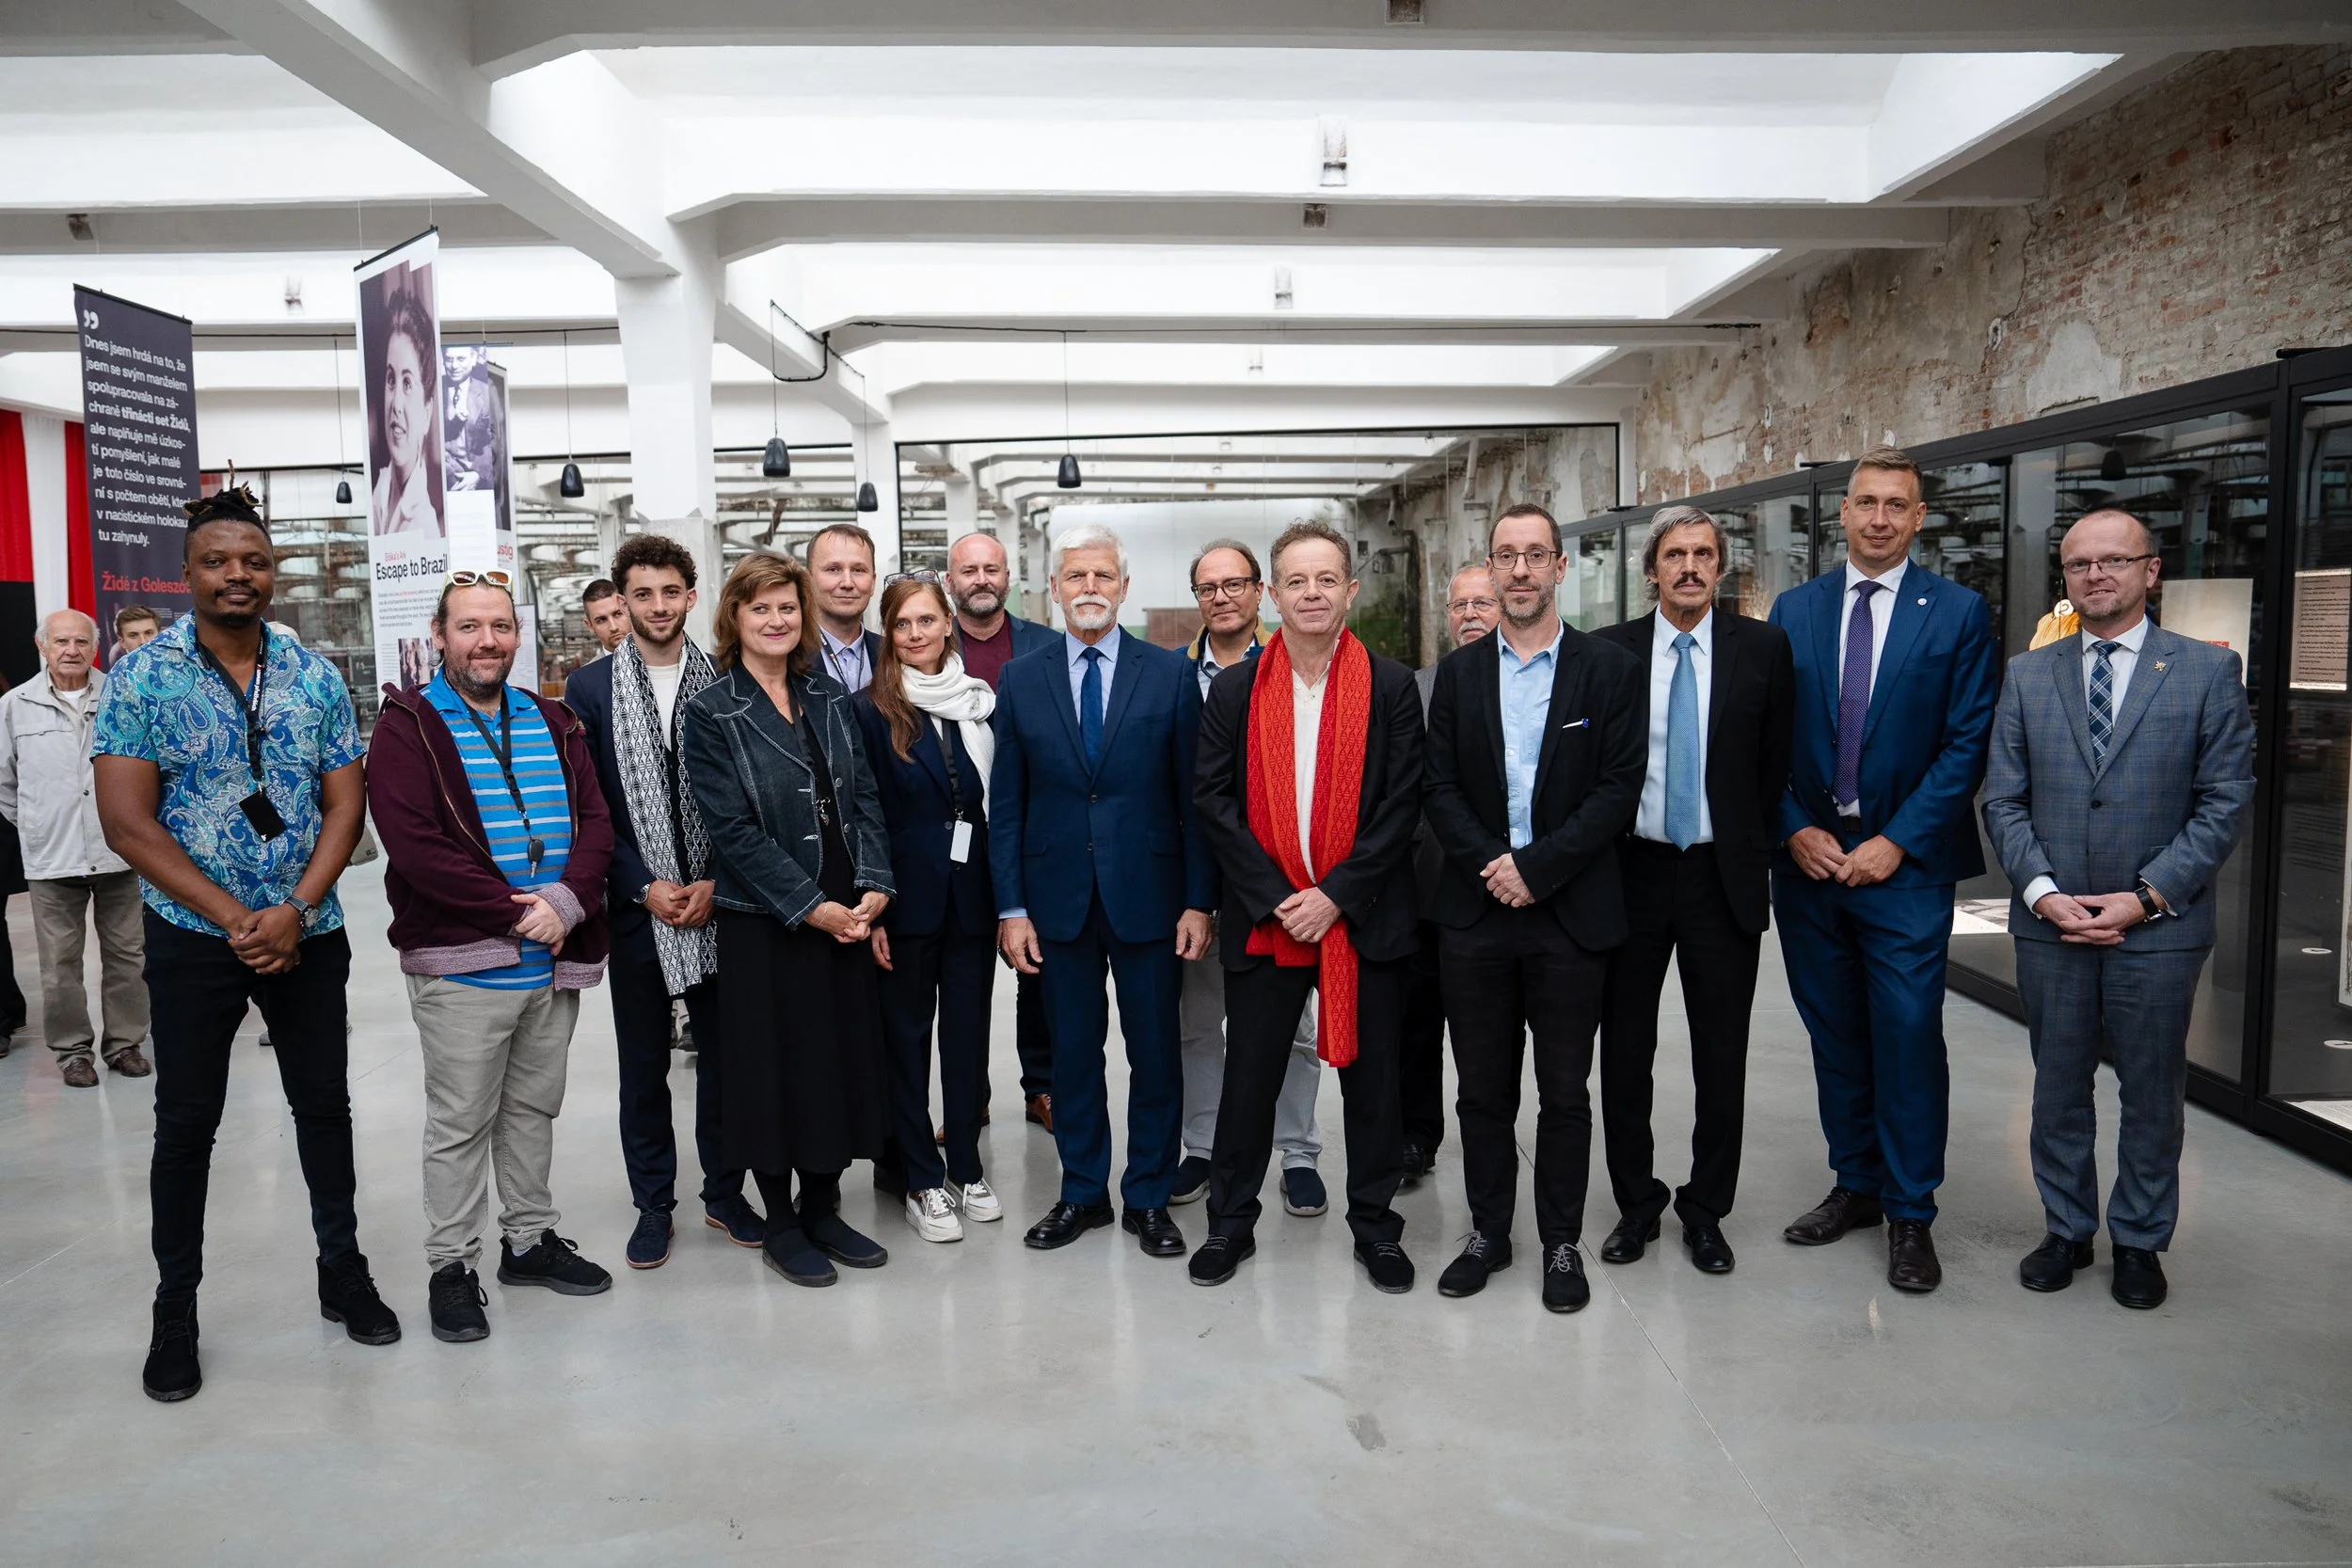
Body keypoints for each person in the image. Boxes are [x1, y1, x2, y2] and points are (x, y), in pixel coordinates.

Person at [93, 484, 396, 1402]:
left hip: (311, 930)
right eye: (218, 561)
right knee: (186, 1123)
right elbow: (127, 823)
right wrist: (236, 916)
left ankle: (342, 1268)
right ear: (186, 572)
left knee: (324, 1106)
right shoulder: (142, 678)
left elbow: (347, 803)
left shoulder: (312, 673)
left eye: (254, 561)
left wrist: (296, 907)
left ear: (274, 574)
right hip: (193, 935)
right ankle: (175, 1307)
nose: (238, 574)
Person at [1981, 508, 2254, 1309]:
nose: (2096, 574)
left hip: (2160, 927)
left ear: (2151, 571)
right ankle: (2067, 1228)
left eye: (2115, 560)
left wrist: (2144, 897)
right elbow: (2003, 798)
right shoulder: (2028, 674)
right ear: (2065, 577)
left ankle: (2138, 1238)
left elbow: (2225, 800)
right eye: (2080, 564)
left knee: (2152, 1090)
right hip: (2051, 923)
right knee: (2058, 1084)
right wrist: (2042, 893)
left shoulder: (2207, 670)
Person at [1768, 445, 1999, 1294]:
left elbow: (1966, 742)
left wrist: (1896, 841)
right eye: (1865, 502)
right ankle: (1856, 1183)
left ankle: (1911, 1210)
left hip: (1903, 868)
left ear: (1919, 517)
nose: (1878, 518)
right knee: (1833, 1031)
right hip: (1810, 866)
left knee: (1906, 1031)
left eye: (1896, 504)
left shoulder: (1958, 612)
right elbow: (1759, 736)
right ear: (1843, 512)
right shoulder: (1794, 609)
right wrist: (1792, 827)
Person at [370, 573, 617, 1342]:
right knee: (460, 1121)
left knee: (532, 1109)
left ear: (518, 634)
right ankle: (451, 1266)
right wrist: (522, 914)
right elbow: (416, 847)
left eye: (501, 627)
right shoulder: (408, 725)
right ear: (439, 636)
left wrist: (566, 904)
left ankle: (529, 1240)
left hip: (550, 959)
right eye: (470, 626)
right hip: (464, 965)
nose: (487, 641)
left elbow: (596, 820)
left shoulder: (553, 718)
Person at [1189, 521, 1422, 1292]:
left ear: (1349, 590)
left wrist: (1337, 896)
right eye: (1296, 580)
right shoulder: (1235, 689)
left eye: (1326, 579)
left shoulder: (1390, 685)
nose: (1312, 592)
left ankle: (1376, 1227)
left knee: (1374, 1083)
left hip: (1366, 915)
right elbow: (1213, 800)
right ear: (1273, 595)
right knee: (1250, 1078)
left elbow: (1401, 805)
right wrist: (1278, 898)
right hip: (1269, 917)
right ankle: (1230, 1224)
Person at [1423, 502, 1645, 1313]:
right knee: (1481, 1091)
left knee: (1564, 1091)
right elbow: (1438, 785)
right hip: (1477, 911)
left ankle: (1560, 1240)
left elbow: (1617, 789)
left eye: (1535, 555)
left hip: (1568, 914)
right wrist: (1497, 867)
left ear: (1559, 566)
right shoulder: (1459, 673)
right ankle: (1489, 1232)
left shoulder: (1609, 670)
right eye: (1506, 556)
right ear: (1492, 566)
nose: (1520, 570)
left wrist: (1536, 868)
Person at [990, 521, 1216, 1258]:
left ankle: (1148, 1196)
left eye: (1103, 575)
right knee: (1073, 1054)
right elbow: (1008, 802)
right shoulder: (1022, 678)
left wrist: (1197, 899)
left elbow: (1193, 800)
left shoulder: (1170, 674)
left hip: (1150, 897)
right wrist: (1012, 906)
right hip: (1056, 901)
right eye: (1076, 576)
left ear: (1124, 586)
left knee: (1155, 1053)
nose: (1089, 587)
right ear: (1054, 590)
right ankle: (1083, 1190)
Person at [682, 551, 895, 1288]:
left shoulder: (829, 695)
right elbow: (732, 832)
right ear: (734, 617)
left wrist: (875, 883)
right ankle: (779, 1220)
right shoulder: (712, 711)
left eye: (787, 607)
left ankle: (823, 1206)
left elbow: (864, 796)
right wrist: (811, 906)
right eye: (760, 607)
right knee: (772, 1068)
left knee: (835, 1060)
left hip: (845, 904)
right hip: (769, 916)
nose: (776, 620)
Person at [1591, 509, 1794, 1275]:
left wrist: (1746, 844)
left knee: (1721, 1052)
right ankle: (1636, 1203)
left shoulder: (1764, 649)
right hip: (1631, 872)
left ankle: (1706, 1210)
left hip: (1721, 875)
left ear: (1720, 566)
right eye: (1674, 554)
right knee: (1625, 1052)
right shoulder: (1610, 651)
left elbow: (1774, 764)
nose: (1689, 566)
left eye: (1703, 553)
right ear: (1652, 569)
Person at [565, 536, 757, 1268]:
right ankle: (653, 1203)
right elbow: (589, 807)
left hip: (720, 902)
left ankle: (724, 1191)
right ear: (622, 601)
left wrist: (716, 880)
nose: (657, 605)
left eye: (670, 591)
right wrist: (641, 884)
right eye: (641, 594)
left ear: (690, 595)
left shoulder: (728, 679)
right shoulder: (588, 689)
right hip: (636, 905)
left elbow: (748, 797)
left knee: (726, 1059)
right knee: (643, 1065)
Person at [1171, 538, 1329, 1217]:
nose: (1222, 597)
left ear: (1260, 591)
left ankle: (1297, 1152)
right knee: (1199, 1024)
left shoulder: (1293, 665)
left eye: (1234, 584)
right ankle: (1204, 1146)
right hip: (1200, 883)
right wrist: (1193, 895)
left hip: (1278, 887)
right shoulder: (1173, 675)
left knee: (1292, 1027)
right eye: (1208, 588)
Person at [855, 578, 1004, 1243]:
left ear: (949, 624)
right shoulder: (869, 711)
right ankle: (920, 1176)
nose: (915, 634)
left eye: (925, 620)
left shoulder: (979, 704)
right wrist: (873, 910)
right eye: (902, 624)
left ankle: (967, 1166)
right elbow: (862, 816)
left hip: (973, 901)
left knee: (968, 1040)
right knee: (907, 1044)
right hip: (903, 905)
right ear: (889, 635)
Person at [0, 610, 151, 1086]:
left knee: (128, 957)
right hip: (52, 857)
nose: (71, 650)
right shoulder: (14, 706)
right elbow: (5, 784)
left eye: (81, 642)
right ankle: (72, 1053)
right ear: (42, 646)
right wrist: (37, 824)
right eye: (61, 641)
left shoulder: (123, 696)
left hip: (120, 852)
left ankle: (125, 1045)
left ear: (96, 646)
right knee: (59, 966)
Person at [946, 531, 1058, 1132]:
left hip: (1034, 834)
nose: (981, 579)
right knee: (964, 976)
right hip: (958, 837)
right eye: (969, 570)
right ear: (950, 581)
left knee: (1037, 968)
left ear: (1009, 577)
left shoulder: (1047, 646)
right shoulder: (928, 645)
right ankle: (970, 1099)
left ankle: (1042, 1088)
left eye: (992, 568)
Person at [1402, 566, 1499, 1180]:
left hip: (1504, 883)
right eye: (1460, 605)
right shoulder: (1417, 688)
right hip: (1427, 882)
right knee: (1417, 1023)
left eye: (1481, 603)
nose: (1470, 615)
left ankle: (1488, 1144)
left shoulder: (1528, 681)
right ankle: (1416, 1137)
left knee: (1484, 1032)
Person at [370, 291, 440, 537]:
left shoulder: (424, 525)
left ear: (426, 413)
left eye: (408, 383)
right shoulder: (381, 489)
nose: (396, 403)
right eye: (391, 379)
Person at [808, 523, 882, 694]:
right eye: (833, 569)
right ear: (808, 580)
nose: (847, 583)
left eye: (858, 570)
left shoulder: (893, 653)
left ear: (872, 583)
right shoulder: (787, 657)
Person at [581, 578, 630, 655]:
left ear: (630, 610)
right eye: (601, 620)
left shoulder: (651, 657)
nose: (613, 628)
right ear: (590, 626)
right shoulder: (595, 664)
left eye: (618, 614)